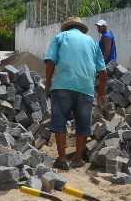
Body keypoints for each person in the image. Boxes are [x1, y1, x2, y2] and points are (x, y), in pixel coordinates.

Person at [44, 16, 107, 170]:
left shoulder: (60, 37)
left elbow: (51, 61)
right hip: (86, 87)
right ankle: (78, 158)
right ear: (81, 29)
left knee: (59, 121)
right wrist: (101, 93)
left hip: (62, 86)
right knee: (83, 123)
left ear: (67, 27)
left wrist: (48, 83)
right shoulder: (91, 41)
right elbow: (103, 71)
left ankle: (62, 158)